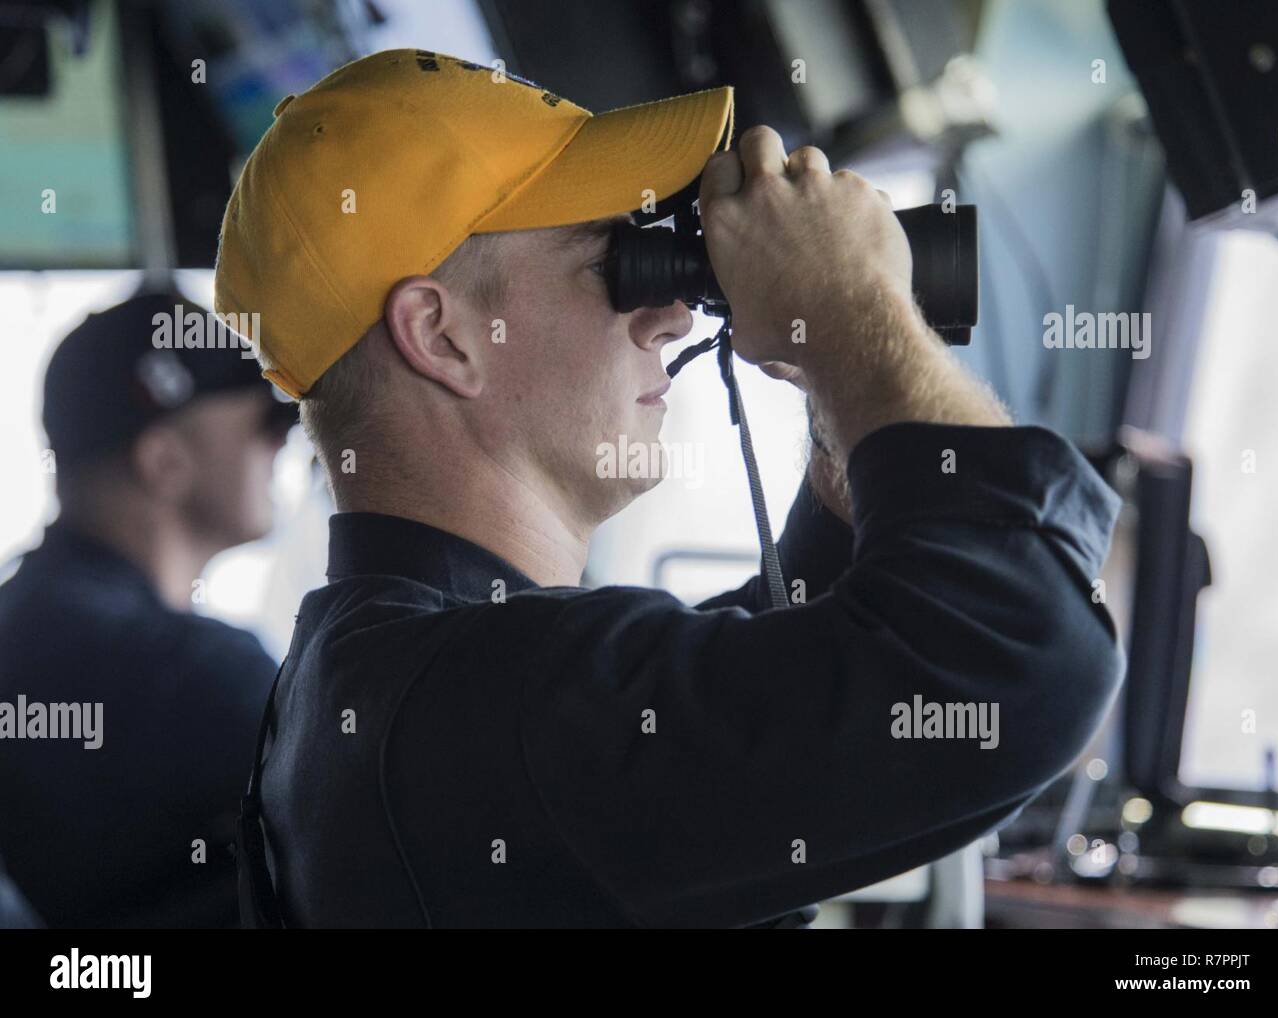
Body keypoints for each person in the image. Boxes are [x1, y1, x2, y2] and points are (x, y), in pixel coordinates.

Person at [215, 50, 1124, 928]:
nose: (674, 310)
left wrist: (832, 358)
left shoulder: (385, 675)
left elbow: (786, 664)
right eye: (612, 264)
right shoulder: (486, 711)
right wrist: (852, 317)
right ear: (443, 337)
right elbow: (1015, 651)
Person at [0, 292, 296, 927]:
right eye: (267, 426)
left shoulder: (30, 625)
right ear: (163, 460)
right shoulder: (180, 671)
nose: (283, 447)